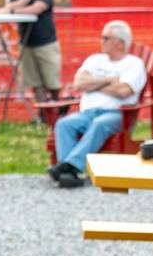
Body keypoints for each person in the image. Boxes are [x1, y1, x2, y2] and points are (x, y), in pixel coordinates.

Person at [50, 20, 147, 189]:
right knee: (63, 124)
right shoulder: (94, 60)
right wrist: (109, 81)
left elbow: (124, 91)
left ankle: (70, 166)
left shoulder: (134, 64)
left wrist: (93, 85)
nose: (101, 41)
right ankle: (68, 173)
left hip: (118, 114)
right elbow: (79, 84)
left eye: (106, 38)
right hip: (87, 113)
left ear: (120, 42)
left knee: (99, 124)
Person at [0, 0, 61, 106]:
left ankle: (57, 108)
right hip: (26, 43)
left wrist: (14, 10)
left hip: (46, 42)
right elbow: (8, 7)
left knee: (52, 82)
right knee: (34, 82)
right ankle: (43, 113)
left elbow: (37, 9)